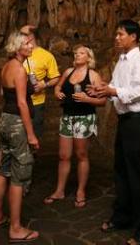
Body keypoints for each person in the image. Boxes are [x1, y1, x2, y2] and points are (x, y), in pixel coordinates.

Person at [87, 19, 140, 245]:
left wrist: (112, 90)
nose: (117, 38)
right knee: (121, 171)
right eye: (116, 34)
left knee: (139, 176)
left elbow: (137, 92)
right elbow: (117, 88)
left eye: (121, 34)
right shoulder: (121, 61)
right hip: (125, 121)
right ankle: (124, 217)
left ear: (134, 37)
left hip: (138, 122)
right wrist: (103, 91)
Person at [0, 31, 40, 243]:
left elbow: (4, 94)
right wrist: (31, 135)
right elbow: (21, 103)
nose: (31, 47)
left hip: (5, 121)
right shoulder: (19, 69)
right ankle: (16, 228)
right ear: (18, 47)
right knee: (19, 175)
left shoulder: (6, 66)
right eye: (27, 44)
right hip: (18, 124)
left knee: (3, 169)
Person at [43, 45, 106, 208]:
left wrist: (87, 99)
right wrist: (57, 91)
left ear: (88, 57)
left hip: (84, 118)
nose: (77, 55)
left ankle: (80, 191)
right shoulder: (67, 72)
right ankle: (59, 190)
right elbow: (58, 86)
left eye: (81, 53)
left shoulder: (93, 75)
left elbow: (103, 101)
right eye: (76, 52)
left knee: (81, 155)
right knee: (64, 155)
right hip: (67, 117)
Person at [19, 25, 60, 138]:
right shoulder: (18, 53)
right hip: (17, 101)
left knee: (33, 136)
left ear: (31, 37)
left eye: (22, 34)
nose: (19, 37)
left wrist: (44, 84)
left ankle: (32, 155)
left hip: (36, 103)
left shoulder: (46, 56)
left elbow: (56, 77)